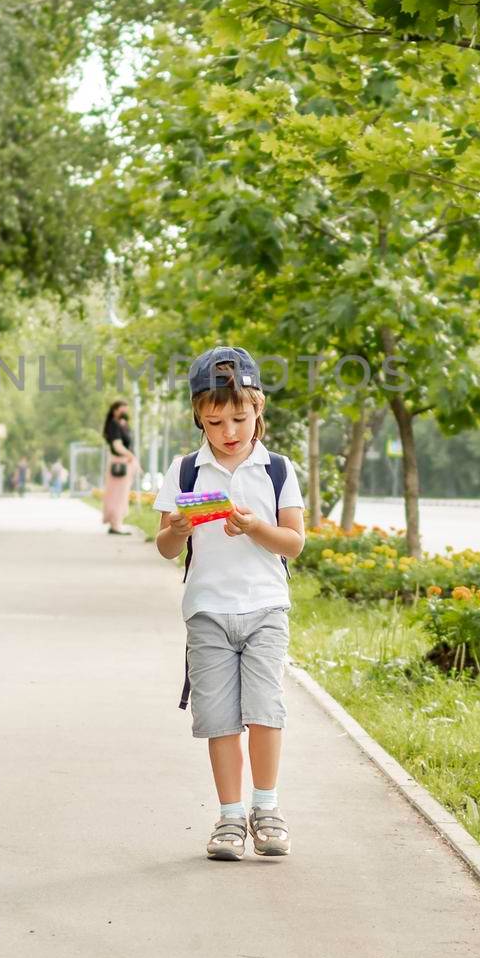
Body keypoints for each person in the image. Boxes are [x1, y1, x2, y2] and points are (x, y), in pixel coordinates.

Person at [152, 347, 305, 861]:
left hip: (265, 608)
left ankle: (268, 810)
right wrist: (175, 527)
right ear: (199, 415)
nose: (228, 430)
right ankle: (231, 817)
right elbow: (168, 548)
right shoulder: (186, 471)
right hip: (207, 612)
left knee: (265, 712)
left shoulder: (278, 470)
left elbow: (295, 543)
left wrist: (258, 528)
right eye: (215, 420)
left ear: (258, 408)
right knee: (218, 719)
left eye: (239, 417)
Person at [101, 399, 139, 535]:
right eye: (122, 409)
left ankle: (116, 523)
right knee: (117, 494)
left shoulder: (122, 425)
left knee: (121, 494)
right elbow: (117, 445)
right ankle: (115, 524)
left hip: (124, 462)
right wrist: (130, 455)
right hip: (120, 463)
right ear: (115, 410)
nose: (125, 412)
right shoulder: (114, 425)